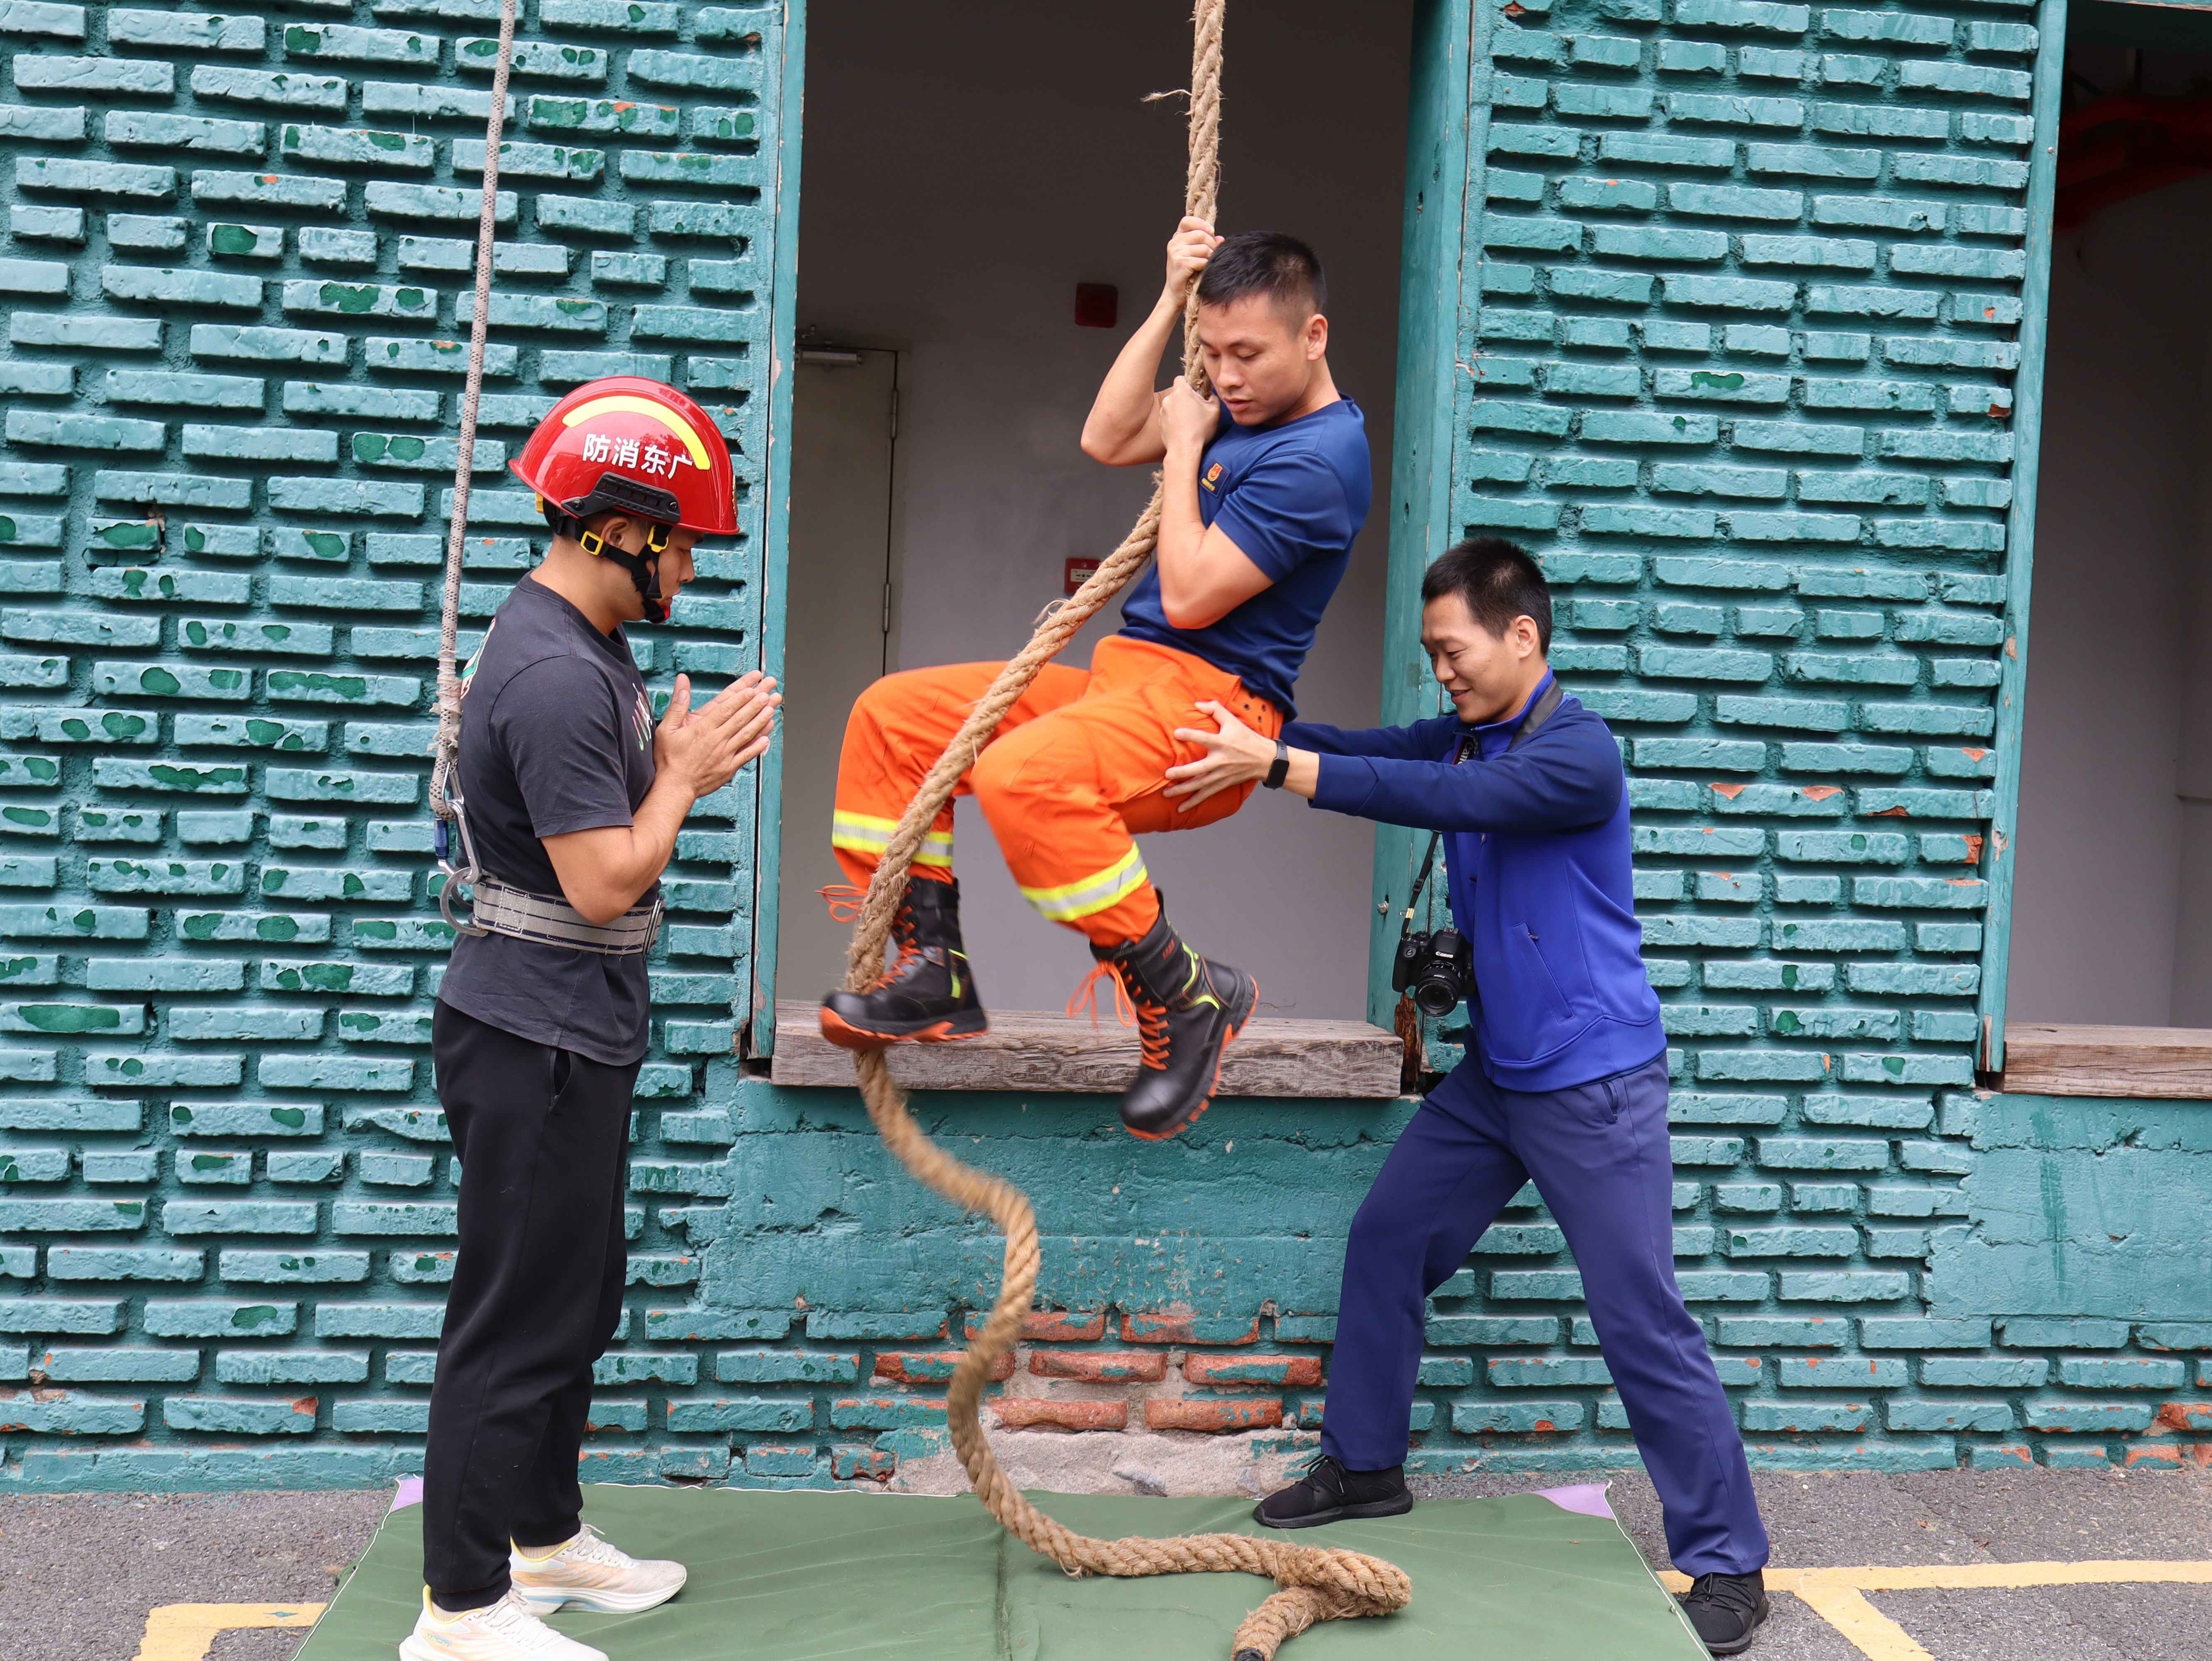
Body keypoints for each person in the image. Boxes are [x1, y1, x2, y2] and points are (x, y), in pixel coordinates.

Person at [1165, 538, 1773, 1656]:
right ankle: (1365, 1466)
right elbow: (1369, 752)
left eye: (1454, 651)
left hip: (1595, 1082)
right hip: (1501, 1073)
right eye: (1433, 654)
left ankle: (1731, 1560)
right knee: (1389, 1236)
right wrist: (1240, 730)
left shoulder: (1577, 752)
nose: (1441, 672)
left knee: (1640, 1317)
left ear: (1522, 635)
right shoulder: (1466, 733)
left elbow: (1443, 794)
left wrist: (1276, 768)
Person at [820, 219, 1372, 1141]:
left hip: (1210, 714)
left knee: (1021, 775)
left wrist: (1188, 446)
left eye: (1247, 354)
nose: (1227, 376)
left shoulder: (1321, 458)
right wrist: (1167, 299)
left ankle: (1182, 993)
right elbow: (1107, 435)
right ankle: (932, 967)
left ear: (1313, 336)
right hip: (1127, 681)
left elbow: (1189, 594)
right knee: (894, 717)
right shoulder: (1236, 408)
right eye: (1212, 353)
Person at [406, 377, 781, 1661]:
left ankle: (542, 1537)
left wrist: (664, 766)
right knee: (515, 1317)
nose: (689, 568)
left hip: (572, 1026)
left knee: (576, 1298)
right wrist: (683, 777)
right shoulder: (560, 675)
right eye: (681, 543)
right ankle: (461, 1608)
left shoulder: (585, 648)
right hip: (533, 1037)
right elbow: (606, 880)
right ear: (621, 528)